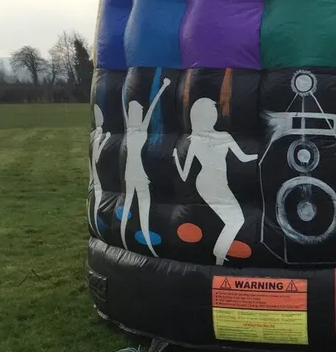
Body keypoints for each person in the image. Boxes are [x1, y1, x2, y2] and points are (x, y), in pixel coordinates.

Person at [173, 97, 261, 265]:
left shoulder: (218, 137)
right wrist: (177, 160)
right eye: (210, 112)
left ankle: (219, 253)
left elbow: (243, 158)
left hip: (216, 183)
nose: (213, 115)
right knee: (236, 220)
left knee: (234, 220)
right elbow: (185, 175)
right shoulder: (198, 140)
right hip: (209, 184)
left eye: (213, 111)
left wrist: (263, 154)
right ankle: (219, 254)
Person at [120, 77, 171, 256]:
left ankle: (123, 236)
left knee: (129, 203)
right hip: (139, 172)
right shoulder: (140, 127)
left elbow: (144, 105)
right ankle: (147, 241)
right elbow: (152, 106)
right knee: (143, 205)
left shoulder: (131, 126)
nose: (142, 112)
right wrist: (163, 87)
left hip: (131, 171)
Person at [88, 104, 110, 236]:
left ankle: (99, 221)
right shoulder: (98, 138)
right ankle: (99, 221)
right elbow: (97, 156)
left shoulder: (97, 136)